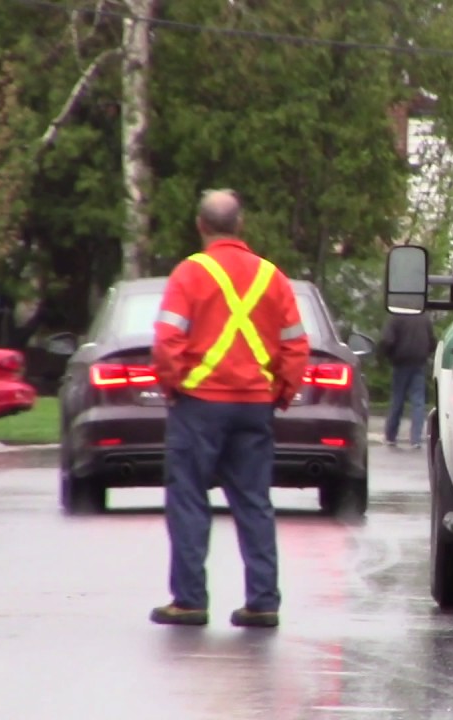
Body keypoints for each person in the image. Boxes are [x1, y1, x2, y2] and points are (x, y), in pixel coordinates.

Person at [149, 189, 309, 628]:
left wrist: (173, 384)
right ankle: (262, 602)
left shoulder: (189, 274)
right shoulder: (271, 277)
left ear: (201, 226)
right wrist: (281, 392)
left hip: (198, 406)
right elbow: (296, 343)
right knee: (254, 503)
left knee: (188, 500)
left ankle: (189, 601)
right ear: (240, 226)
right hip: (254, 406)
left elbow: (167, 341)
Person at [379, 312, 436, 449]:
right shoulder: (424, 317)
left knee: (398, 399)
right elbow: (432, 341)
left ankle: (391, 436)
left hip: (400, 362)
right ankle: (415, 439)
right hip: (419, 362)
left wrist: (387, 356)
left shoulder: (395, 317)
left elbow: (387, 340)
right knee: (418, 402)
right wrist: (426, 354)